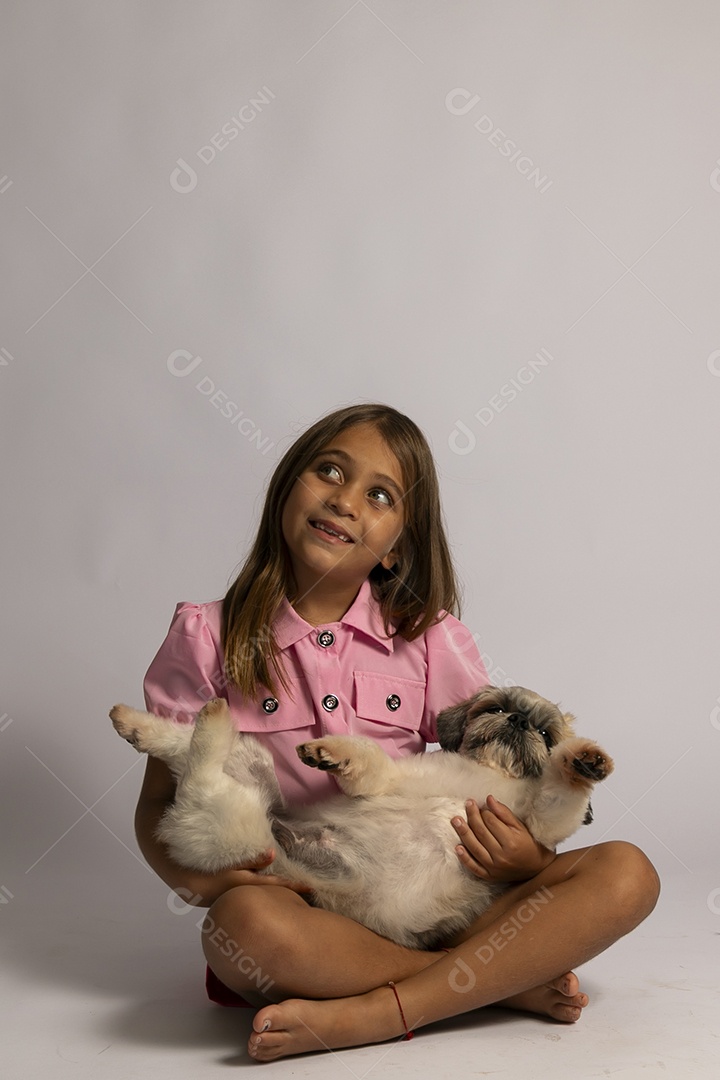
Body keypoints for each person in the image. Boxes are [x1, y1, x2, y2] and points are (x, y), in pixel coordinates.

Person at [135, 403, 660, 1063]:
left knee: (627, 872)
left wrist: (533, 860)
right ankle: (490, 985)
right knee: (239, 930)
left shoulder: (429, 638)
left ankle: (382, 1012)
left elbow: (503, 778)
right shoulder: (206, 638)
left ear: (399, 546)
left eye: (378, 495)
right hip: (314, 918)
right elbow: (157, 808)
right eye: (328, 470)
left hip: (440, 902)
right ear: (285, 486)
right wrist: (218, 888)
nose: (344, 499)